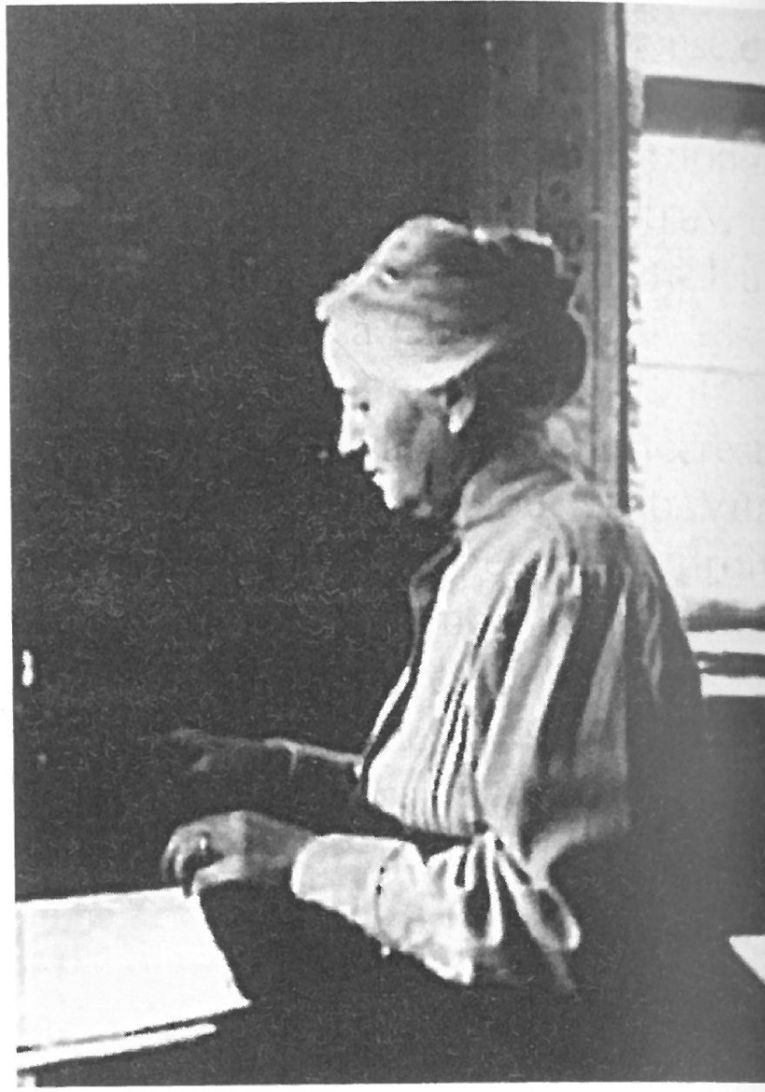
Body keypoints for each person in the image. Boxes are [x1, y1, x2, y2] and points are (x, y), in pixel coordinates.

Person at [161, 216, 708, 1081]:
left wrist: (301, 860)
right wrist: (282, 766)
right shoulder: (491, 552)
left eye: (362, 403)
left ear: (453, 398)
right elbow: (457, 804)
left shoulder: (567, 565)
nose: (347, 441)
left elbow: (549, 919)